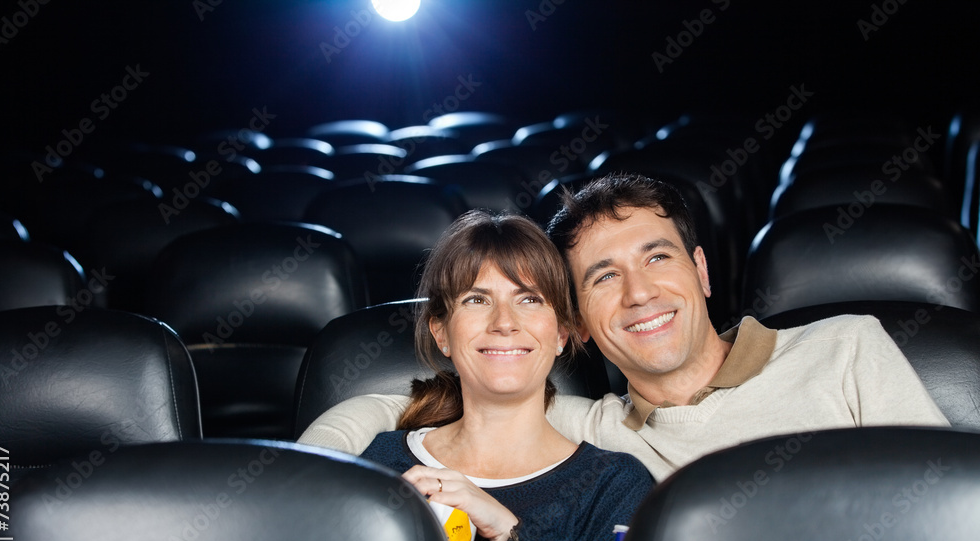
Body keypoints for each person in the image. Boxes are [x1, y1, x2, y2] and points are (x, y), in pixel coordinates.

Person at [300, 173, 950, 482]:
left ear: (701, 271)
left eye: (657, 258)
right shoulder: (591, 428)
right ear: (577, 324)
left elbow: (954, 516)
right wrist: (311, 474)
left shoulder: (846, 348)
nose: (640, 294)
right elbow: (398, 405)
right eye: (605, 276)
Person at [350, 210, 654, 541]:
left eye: (529, 299)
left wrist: (504, 536)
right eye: (477, 299)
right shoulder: (381, 463)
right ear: (441, 332)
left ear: (562, 332)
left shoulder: (613, 488)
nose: (504, 322)